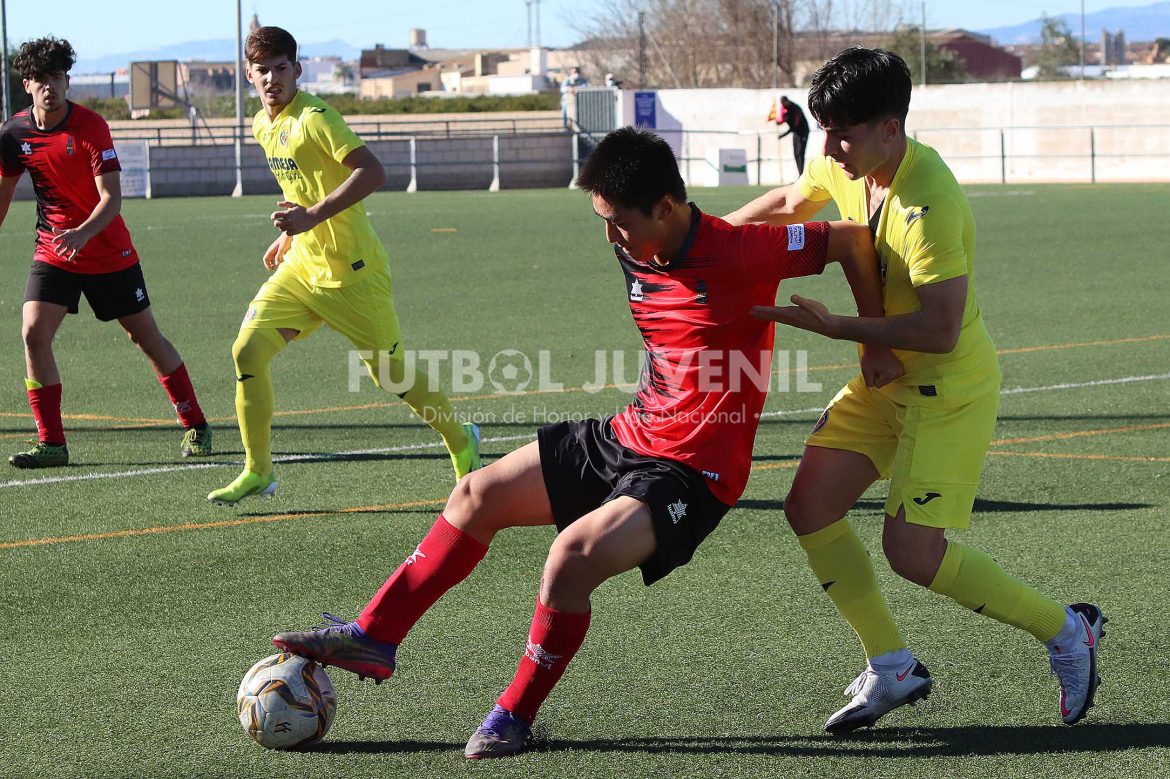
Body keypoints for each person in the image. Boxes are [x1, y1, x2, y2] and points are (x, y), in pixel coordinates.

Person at [270, 127, 893, 758]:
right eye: (601, 218)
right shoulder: (649, 238)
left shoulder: (741, 254)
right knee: (475, 492)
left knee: (571, 557)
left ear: (664, 209)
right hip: (631, 432)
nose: (609, 236)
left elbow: (848, 239)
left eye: (617, 221)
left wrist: (874, 341)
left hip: (694, 471)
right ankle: (375, 637)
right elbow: (718, 230)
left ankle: (513, 714)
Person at [725, 47, 1105, 733]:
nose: (830, 146)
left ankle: (1068, 629)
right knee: (809, 505)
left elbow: (939, 327)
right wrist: (704, 244)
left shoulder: (927, 199)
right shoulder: (848, 162)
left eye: (843, 131)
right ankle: (892, 664)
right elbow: (786, 202)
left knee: (912, 553)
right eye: (826, 128)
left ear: (890, 129)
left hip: (945, 387)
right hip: (884, 379)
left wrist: (841, 326)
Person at [207, 26, 479, 505]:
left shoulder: (315, 117)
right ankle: (258, 471)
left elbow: (372, 171)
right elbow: (305, 184)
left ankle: (462, 440)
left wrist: (309, 217)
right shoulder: (260, 124)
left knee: (391, 376)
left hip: (353, 274)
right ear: (248, 74)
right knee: (246, 351)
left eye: (281, 68)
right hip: (301, 271)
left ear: (298, 69)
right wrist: (289, 235)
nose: (272, 78)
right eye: (262, 70)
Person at [0, 36, 212, 469]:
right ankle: (52, 443)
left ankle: (196, 423)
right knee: (33, 333)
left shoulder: (91, 126)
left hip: (107, 251)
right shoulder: (13, 133)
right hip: (54, 251)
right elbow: (3, 195)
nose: (50, 87)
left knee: (145, 338)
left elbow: (111, 199)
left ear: (67, 81)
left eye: (57, 77)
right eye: (41, 79)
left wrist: (82, 233)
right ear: (27, 84)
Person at [777, 95, 810, 176]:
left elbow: (794, 127)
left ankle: (802, 175)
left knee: (800, 152)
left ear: (787, 101)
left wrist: (782, 135)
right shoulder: (786, 109)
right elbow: (784, 120)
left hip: (803, 132)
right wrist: (779, 122)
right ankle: (800, 174)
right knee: (796, 153)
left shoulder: (796, 109)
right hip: (796, 133)